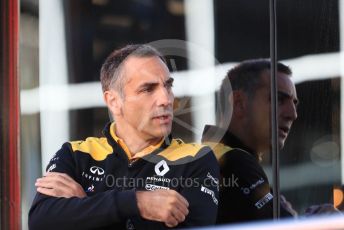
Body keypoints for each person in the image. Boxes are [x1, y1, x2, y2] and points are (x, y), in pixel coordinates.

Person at [29, 44, 220, 229]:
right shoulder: (75, 154)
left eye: (168, 86)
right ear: (113, 101)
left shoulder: (195, 159)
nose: (167, 99)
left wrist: (86, 205)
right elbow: (40, 221)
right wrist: (137, 202)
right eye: (148, 89)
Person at [202, 59, 299, 223]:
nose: (292, 114)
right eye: (278, 100)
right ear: (239, 104)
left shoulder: (214, 157)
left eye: (294, 103)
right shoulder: (235, 163)